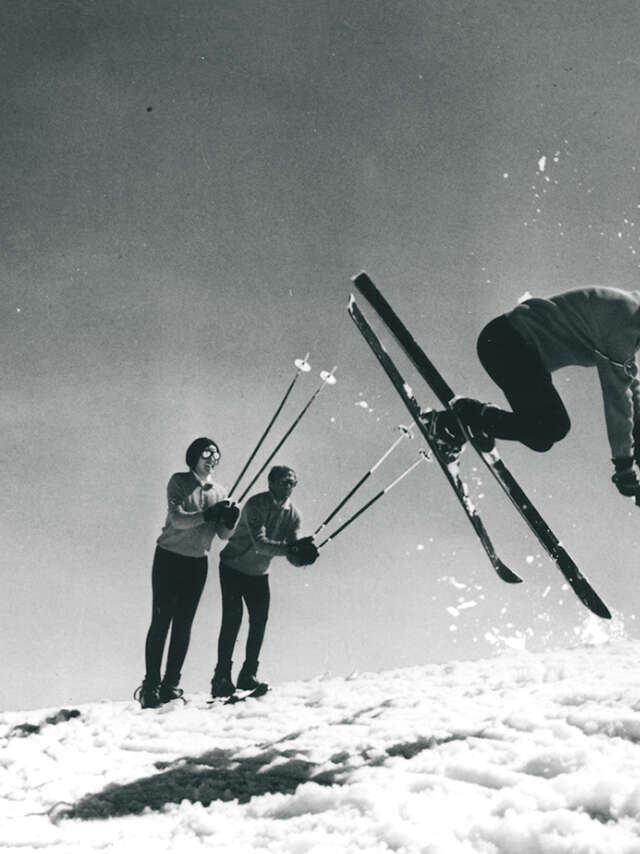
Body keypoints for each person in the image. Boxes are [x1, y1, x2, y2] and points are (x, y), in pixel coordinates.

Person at [428, 287, 640, 498]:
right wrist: (624, 465)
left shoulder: (630, 317)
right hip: (506, 343)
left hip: (518, 351)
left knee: (542, 435)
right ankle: (455, 421)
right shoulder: (624, 321)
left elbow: (632, 392)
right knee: (550, 428)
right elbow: (618, 397)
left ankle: (472, 423)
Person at [135, 437, 240, 709]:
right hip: (169, 558)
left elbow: (222, 535)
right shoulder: (179, 481)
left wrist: (229, 521)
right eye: (206, 452)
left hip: (197, 563)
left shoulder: (221, 491)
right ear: (193, 456)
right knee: (161, 621)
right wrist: (209, 514)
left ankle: (171, 686)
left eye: (216, 453)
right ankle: (150, 687)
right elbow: (178, 518)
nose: (212, 457)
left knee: (183, 625)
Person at [210, 465, 319, 698]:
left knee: (259, 622)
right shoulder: (257, 504)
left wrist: (303, 556)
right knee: (233, 619)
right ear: (270, 483)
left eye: (292, 483)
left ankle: (248, 674)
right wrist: (292, 548)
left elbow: (292, 551)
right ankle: (221, 677)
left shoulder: (293, 514)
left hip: (259, 574)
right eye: (283, 482)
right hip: (232, 567)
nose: (287, 487)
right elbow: (260, 544)